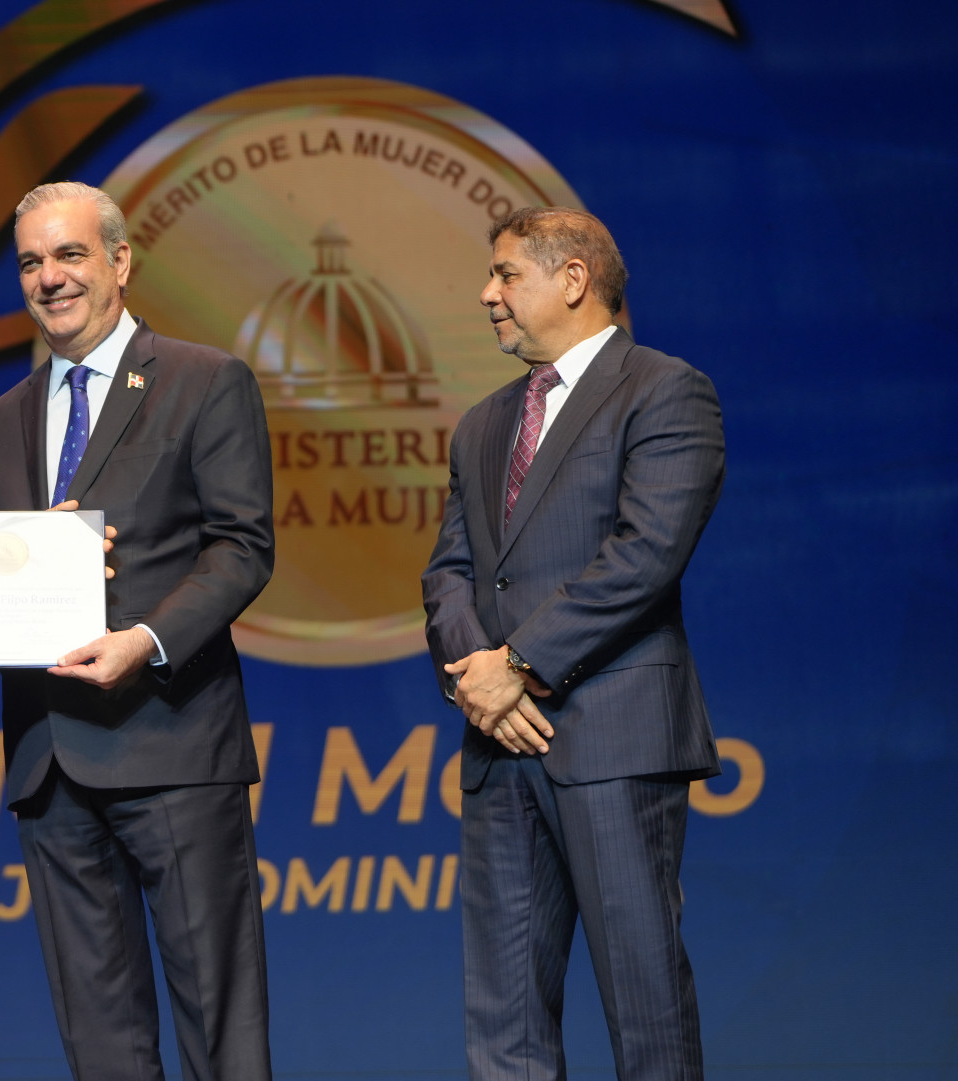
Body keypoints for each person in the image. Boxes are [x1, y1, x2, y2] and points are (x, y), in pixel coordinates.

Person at [0, 181, 276, 1081]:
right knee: (98, 1038)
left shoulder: (204, 379)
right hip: (49, 763)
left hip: (170, 738)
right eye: (31, 262)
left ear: (120, 261)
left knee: (219, 1021)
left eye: (70, 254)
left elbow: (243, 546)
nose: (50, 277)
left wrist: (146, 637)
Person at [421, 206, 725, 1081]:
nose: (487, 294)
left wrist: (519, 666)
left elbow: (645, 554)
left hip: (612, 739)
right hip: (498, 744)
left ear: (574, 279)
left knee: (645, 1006)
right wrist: (481, 680)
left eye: (506, 274)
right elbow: (449, 573)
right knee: (505, 1022)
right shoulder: (483, 424)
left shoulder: (664, 390)